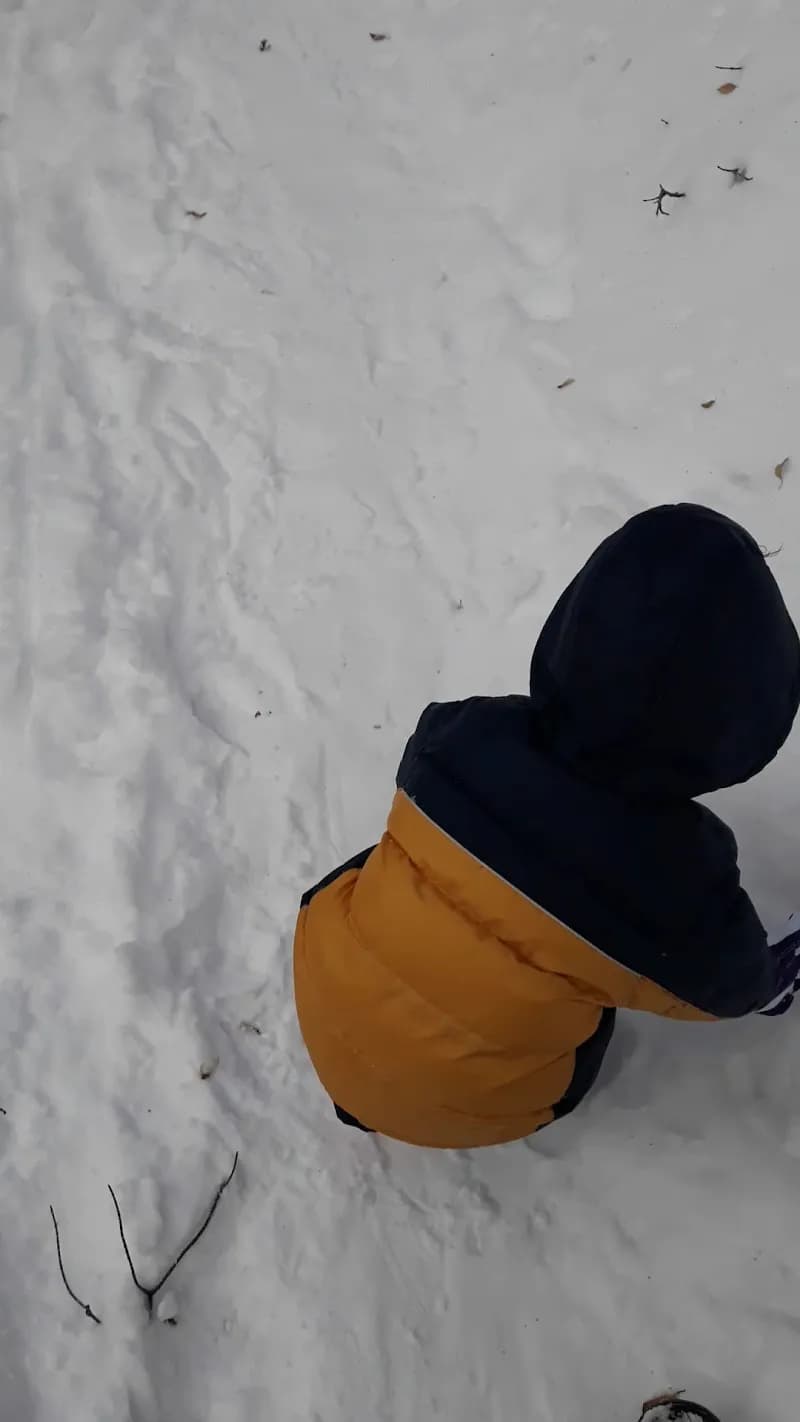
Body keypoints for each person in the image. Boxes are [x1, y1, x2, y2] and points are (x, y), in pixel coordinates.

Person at [293, 505, 800, 1148]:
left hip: (326, 991)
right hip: (473, 1106)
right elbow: (724, 987)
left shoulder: (458, 737)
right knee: (600, 980)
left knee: (420, 857)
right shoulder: (671, 895)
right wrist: (766, 980)